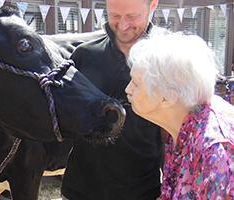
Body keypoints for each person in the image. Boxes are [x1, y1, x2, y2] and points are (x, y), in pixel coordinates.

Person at [61, 0, 165, 199]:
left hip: (142, 193)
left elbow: (171, 137)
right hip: (79, 191)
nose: (123, 25)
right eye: (115, 16)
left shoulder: (166, 61)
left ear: (153, 5)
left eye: (132, 17)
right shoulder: (84, 55)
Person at [125, 32, 234, 199]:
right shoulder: (182, 126)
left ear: (167, 97)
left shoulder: (214, 150)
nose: (128, 89)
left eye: (136, 84)